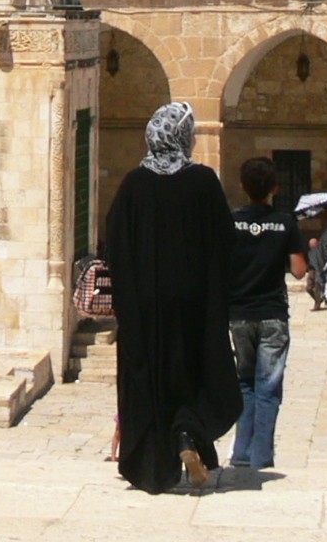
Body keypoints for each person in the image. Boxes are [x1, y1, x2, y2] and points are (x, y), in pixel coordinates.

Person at [100, 101, 242, 493]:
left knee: (150, 375)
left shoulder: (133, 185)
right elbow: (226, 241)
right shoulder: (203, 181)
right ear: (183, 136)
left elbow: (115, 245)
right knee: (192, 369)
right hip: (194, 303)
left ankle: (152, 466)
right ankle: (187, 433)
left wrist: (129, 296)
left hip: (144, 305)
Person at [227, 155, 307, 476]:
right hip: (273, 313)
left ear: (242, 186)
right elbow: (299, 270)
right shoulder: (285, 223)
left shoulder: (231, 221)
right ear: (275, 188)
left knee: (245, 381)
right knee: (268, 386)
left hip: (239, 313)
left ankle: (241, 452)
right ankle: (262, 456)